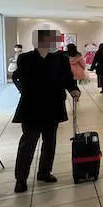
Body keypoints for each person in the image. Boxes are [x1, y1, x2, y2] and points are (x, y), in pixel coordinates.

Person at [12, 29, 81, 193]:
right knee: (28, 143)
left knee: (49, 142)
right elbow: (18, 76)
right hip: (32, 107)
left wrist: (73, 89)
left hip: (53, 105)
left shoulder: (60, 59)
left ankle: (44, 172)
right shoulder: (25, 58)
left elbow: (67, 78)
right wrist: (23, 90)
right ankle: (21, 178)